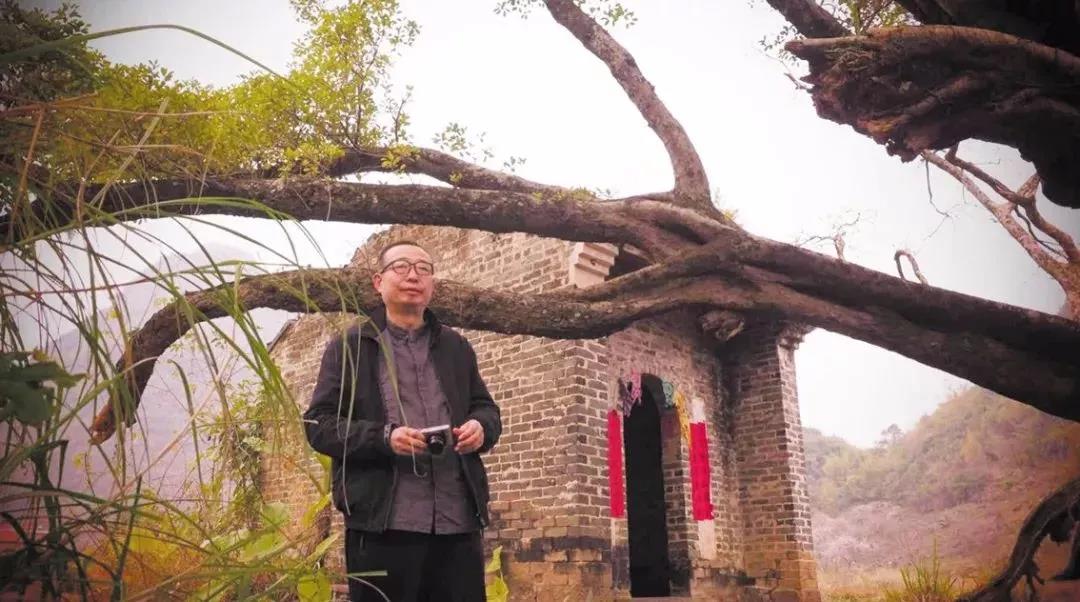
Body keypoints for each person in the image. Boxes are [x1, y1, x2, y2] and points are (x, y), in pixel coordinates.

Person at [303, 240, 501, 601]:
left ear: (432, 284)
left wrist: (481, 428)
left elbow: (486, 409)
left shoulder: (456, 347)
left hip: (458, 521)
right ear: (378, 282)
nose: (413, 276)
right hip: (383, 524)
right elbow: (318, 425)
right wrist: (384, 438)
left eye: (423, 268)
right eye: (401, 267)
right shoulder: (350, 346)